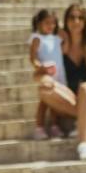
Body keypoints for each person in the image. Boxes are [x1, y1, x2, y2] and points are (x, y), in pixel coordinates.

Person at [57, 3, 86, 162]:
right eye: (72, 17)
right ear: (65, 20)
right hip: (71, 97)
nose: (76, 21)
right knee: (44, 88)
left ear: (85, 21)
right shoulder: (60, 44)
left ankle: (83, 143)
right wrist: (63, 46)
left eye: (80, 17)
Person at [28, 9, 67, 140]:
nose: (51, 26)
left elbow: (65, 44)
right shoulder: (37, 38)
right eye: (47, 22)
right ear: (39, 23)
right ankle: (39, 127)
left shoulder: (56, 38)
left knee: (56, 102)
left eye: (53, 23)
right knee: (44, 102)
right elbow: (33, 58)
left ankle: (55, 125)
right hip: (46, 74)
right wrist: (41, 67)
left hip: (58, 74)